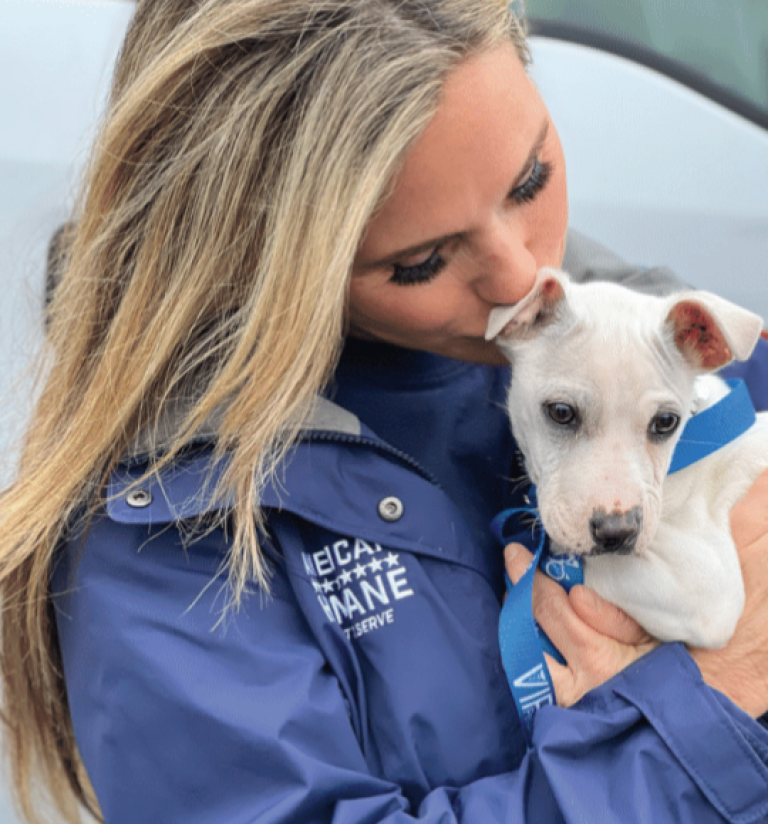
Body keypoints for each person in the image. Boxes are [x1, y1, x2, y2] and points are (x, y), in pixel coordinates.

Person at [2, 1, 768, 822]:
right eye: (421, 261)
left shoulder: (654, 338)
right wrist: (708, 708)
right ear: (265, 251)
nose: (519, 276)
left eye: (530, 180)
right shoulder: (176, 541)